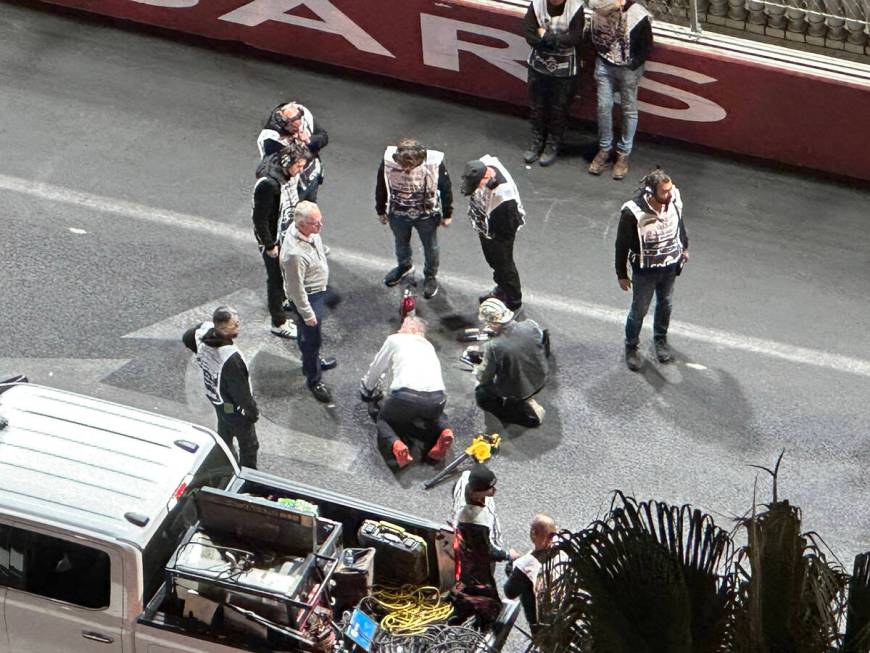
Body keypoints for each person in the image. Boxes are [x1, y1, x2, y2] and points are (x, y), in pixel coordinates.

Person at [615, 168, 689, 371]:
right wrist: (622, 274)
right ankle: (631, 347)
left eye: (670, 189)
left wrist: (684, 246)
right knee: (639, 310)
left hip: (669, 267)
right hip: (645, 271)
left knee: (666, 304)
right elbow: (621, 245)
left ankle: (660, 340)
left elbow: (679, 223)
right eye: (664, 191)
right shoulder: (632, 213)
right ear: (651, 192)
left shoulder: (673, 199)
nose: (669, 193)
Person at [360, 316, 455, 468]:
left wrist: (367, 388)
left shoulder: (396, 339)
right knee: (438, 415)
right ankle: (445, 431)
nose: (399, 330)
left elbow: (377, 366)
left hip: (405, 397)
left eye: (402, 326)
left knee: (383, 420)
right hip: (437, 398)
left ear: (413, 329)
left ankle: (397, 444)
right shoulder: (429, 346)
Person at [375, 138, 454, 299]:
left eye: (410, 166)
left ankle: (430, 276)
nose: (406, 170)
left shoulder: (434, 164)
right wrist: (381, 210)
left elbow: (446, 189)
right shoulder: (388, 162)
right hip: (398, 213)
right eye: (403, 166)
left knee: (430, 247)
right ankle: (404, 267)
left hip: (426, 215)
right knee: (401, 242)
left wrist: (447, 213)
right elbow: (381, 185)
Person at [182, 306, 259, 468]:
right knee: (249, 444)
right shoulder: (231, 358)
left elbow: (187, 336)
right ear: (223, 328)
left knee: (225, 428)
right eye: (235, 325)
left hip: (216, 398)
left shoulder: (204, 332)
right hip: (232, 406)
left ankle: (224, 461)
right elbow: (242, 394)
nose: (238, 327)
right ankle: (246, 476)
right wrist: (252, 413)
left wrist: (198, 353)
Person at [586, 0, 653, 180]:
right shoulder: (599, 10)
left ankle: (623, 154)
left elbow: (646, 46)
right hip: (604, 64)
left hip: (628, 69)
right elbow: (592, 34)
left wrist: (632, 64)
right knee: (603, 107)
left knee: (629, 109)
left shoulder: (638, 16)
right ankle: (605, 149)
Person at [251, 142, 311, 340]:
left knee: (285, 273)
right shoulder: (270, 185)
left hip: (284, 233)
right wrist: (269, 245)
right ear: (287, 163)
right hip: (273, 238)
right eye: (299, 166)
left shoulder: (285, 174)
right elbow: (260, 219)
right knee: (275, 279)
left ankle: (283, 299)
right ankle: (278, 322)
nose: (301, 170)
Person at [281, 201, 337, 403]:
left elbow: (316, 241)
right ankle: (313, 379)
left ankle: (310, 361)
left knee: (308, 335)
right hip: (309, 296)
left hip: (317, 291)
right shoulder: (294, 254)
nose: (320, 227)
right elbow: (296, 289)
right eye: (315, 224)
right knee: (311, 339)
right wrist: (307, 313)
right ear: (302, 225)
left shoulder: (308, 233)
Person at [450, 465, 518, 628]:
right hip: (475, 554)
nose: (494, 491)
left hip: (474, 544)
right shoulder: (473, 521)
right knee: (481, 587)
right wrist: (508, 555)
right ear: (474, 493)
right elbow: (485, 553)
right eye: (489, 489)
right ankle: (479, 620)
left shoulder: (467, 478)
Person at [522, 0, 584, 166]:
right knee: (537, 107)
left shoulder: (576, 8)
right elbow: (529, 33)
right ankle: (537, 140)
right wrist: (554, 41)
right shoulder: (536, 5)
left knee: (559, 110)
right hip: (538, 66)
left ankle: (552, 144)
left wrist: (545, 35)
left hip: (565, 70)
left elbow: (574, 38)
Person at [460, 156, 526, 311]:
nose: (475, 188)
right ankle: (501, 287)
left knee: (504, 264)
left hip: (500, 231)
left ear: (487, 177)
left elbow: (508, 226)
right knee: (493, 261)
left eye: (477, 185)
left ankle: (513, 301)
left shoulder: (504, 196)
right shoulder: (484, 164)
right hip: (486, 225)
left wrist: (494, 238)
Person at [472, 298, 549, 427]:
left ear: (493, 323)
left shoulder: (493, 346)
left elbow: (484, 376)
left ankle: (516, 414)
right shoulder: (530, 325)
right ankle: (526, 398)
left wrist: (476, 367)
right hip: (541, 375)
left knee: (482, 394)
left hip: (519, 389)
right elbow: (539, 340)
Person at [257, 101, 328, 202]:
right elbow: (279, 169)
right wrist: (296, 142)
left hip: (312, 177)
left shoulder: (302, 113)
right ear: (284, 125)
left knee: (310, 213)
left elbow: (324, 136)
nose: (299, 130)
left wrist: (308, 140)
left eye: (300, 125)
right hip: (291, 190)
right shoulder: (270, 139)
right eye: (295, 129)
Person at [503, 514, 558, 634]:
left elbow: (510, 592)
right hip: (563, 613)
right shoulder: (561, 549)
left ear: (533, 533)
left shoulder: (526, 564)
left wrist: (511, 566)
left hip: (542, 623)